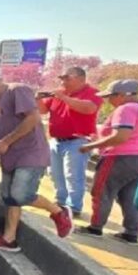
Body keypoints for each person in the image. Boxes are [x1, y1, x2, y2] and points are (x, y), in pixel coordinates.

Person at [0, 72, 73, 252]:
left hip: (30, 153)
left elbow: (33, 118)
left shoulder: (17, 90)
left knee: (21, 195)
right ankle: (9, 239)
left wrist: (6, 141)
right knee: (9, 198)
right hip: (11, 156)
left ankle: (59, 212)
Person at [77, 79, 138, 244]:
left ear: (121, 95)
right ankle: (131, 232)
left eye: (110, 97)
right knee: (130, 195)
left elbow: (121, 136)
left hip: (119, 157)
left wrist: (90, 146)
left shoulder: (125, 109)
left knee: (102, 191)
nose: (108, 101)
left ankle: (95, 227)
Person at [38, 67, 103, 217]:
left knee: (73, 175)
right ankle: (61, 202)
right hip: (56, 140)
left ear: (81, 79)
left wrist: (64, 98)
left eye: (67, 78)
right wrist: (38, 98)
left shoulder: (92, 92)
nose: (63, 81)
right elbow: (42, 110)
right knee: (55, 173)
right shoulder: (59, 92)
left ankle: (74, 207)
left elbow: (89, 109)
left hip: (77, 140)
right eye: (62, 78)